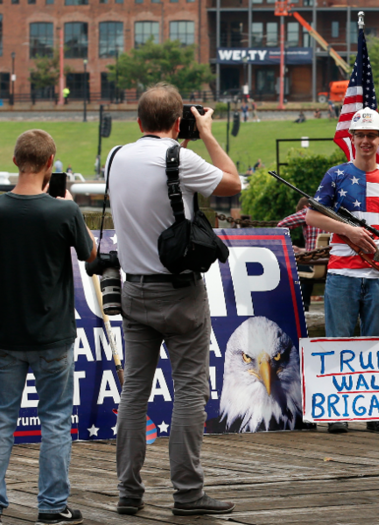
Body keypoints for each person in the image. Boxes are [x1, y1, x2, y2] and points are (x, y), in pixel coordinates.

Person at [106, 83, 241, 516]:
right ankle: (187, 493)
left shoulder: (115, 157)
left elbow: (157, 171)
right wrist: (207, 133)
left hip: (134, 289)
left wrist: (181, 139)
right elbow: (233, 182)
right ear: (179, 122)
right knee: (188, 391)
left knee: (134, 393)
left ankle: (129, 489)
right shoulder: (180, 159)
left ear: (139, 121)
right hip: (180, 292)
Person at [0, 130, 97, 525]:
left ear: (14, 159)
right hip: (53, 335)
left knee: (3, 418)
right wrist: (71, 205)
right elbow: (92, 255)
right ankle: (52, 505)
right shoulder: (63, 211)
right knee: (55, 420)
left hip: (5, 333)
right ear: (50, 162)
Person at [305, 107, 379, 434]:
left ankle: (376, 410)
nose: (366, 141)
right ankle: (337, 411)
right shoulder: (336, 175)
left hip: (378, 275)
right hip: (342, 272)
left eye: (371, 135)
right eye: (360, 135)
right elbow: (312, 216)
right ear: (351, 139)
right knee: (337, 341)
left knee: (376, 343)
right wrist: (349, 230)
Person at [277, 197, 327, 311]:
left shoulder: (307, 212)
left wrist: (286, 246)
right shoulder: (331, 213)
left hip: (314, 264)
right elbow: (321, 247)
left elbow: (281, 225)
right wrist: (301, 250)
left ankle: (303, 305)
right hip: (332, 263)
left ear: (305, 207)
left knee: (293, 266)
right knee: (307, 260)